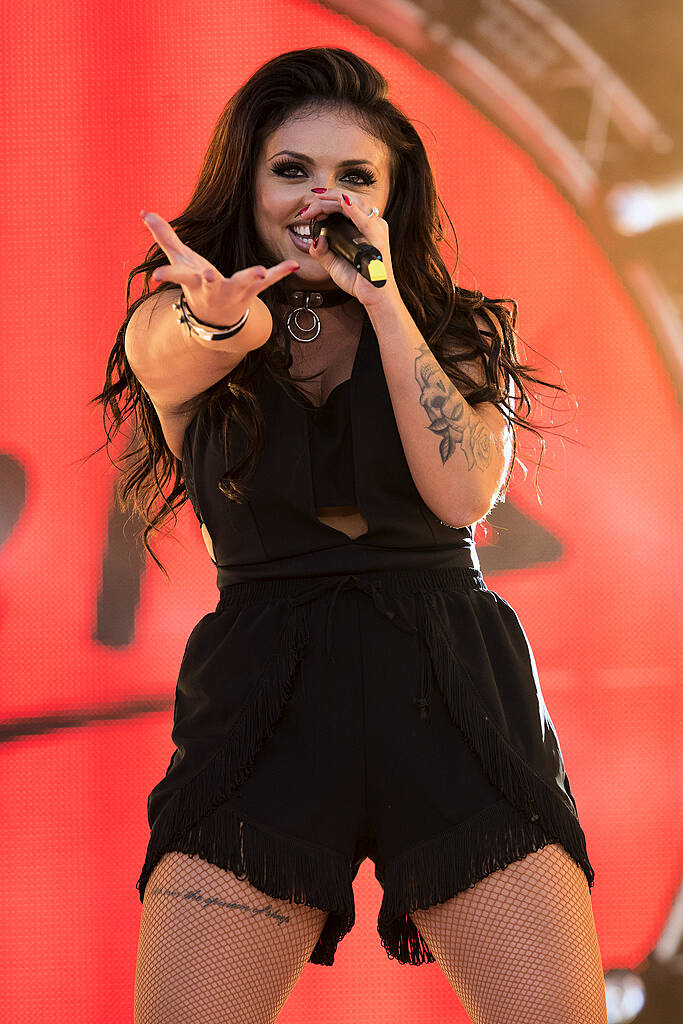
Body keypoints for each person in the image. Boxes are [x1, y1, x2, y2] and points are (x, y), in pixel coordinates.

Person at [97, 46, 608, 1024]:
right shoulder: (188, 320)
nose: (316, 195)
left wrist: (381, 298)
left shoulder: (448, 329)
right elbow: (186, 345)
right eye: (291, 170)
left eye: (351, 176)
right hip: (264, 703)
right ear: (246, 184)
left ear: (389, 198)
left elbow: (461, 494)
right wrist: (211, 318)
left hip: (451, 693)